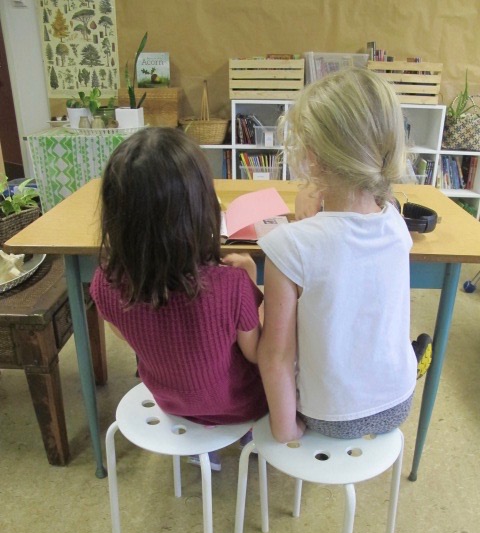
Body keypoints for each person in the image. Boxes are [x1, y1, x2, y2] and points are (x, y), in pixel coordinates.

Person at [257, 67, 427, 443]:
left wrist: (286, 431)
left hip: (331, 417)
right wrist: (321, 196)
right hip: (398, 402)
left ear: (313, 157)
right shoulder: (396, 224)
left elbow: (275, 357)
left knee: (266, 343)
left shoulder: (288, 246)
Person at [90, 127, 268, 470]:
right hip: (238, 404)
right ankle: (250, 432)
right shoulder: (231, 285)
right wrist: (251, 280)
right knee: (279, 359)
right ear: (200, 209)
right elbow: (257, 353)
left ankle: (201, 449)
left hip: (170, 401)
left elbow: (127, 338)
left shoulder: (104, 282)